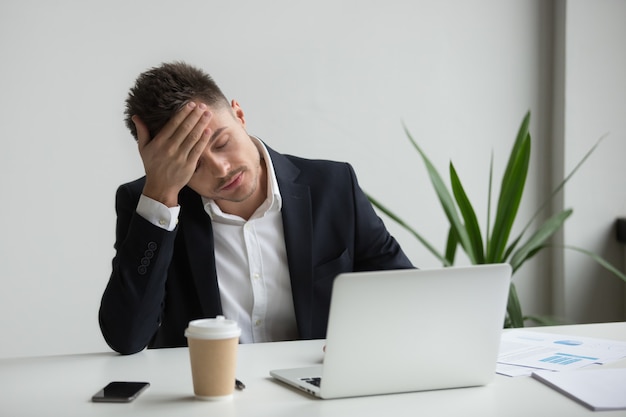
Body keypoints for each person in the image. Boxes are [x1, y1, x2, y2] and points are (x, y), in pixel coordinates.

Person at [99, 61, 414, 355]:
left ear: (239, 115)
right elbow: (127, 338)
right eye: (193, 165)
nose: (221, 168)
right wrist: (160, 194)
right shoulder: (150, 204)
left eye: (222, 142)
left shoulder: (332, 186)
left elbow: (405, 294)